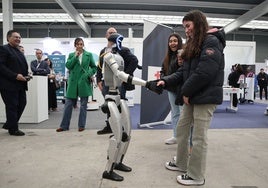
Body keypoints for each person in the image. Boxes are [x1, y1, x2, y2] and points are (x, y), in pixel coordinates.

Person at [157, 10, 225, 186]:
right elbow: (183, 72)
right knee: (181, 130)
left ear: (198, 23)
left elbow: (205, 73)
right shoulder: (195, 43)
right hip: (193, 96)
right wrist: (164, 81)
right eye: (184, 27)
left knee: (199, 138)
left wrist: (185, 92)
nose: (185, 30)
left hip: (205, 97)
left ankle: (196, 176)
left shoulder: (212, 41)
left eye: (188, 26)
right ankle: (181, 163)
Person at [100, 33, 162, 181]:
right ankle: (108, 170)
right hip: (111, 96)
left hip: (119, 97)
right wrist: (147, 84)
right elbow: (120, 75)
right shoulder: (108, 56)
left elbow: (126, 70)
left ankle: (118, 162)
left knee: (127, 132)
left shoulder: (120, 56)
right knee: (117, 136)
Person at [96, 27, 139, 135]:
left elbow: (134, 61)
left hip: (119, 84)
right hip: (106, 83)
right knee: (109, 105)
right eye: (109, 33)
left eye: (114, 33)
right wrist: (98, 80)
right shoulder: (103, 51)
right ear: (106, 36)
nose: (112, 35)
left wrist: (124, 76)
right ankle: (110, 126)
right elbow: (99, 66)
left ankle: (122, 129)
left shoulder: (123, 50)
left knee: (119, 105)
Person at [56, 37, 97, 132]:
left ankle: (81, 125)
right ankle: (64, 126)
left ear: (83, 45)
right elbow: (68, 66)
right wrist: (75, 57)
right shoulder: (71, 55)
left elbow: (94, 68)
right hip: (73, 82)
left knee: (83, 106)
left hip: (84, 81)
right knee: (68, 104)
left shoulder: (88, 55)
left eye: (81, 44)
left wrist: (88, 74)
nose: (79, 46)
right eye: (77, 44)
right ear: (75, 45)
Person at [0, 30, 31, 136]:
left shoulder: (18, 50)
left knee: (22, 104)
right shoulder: (4, 49)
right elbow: (1, 67)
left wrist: (26, 76)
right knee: (12, 106)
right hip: (8, 85)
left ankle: (10, 124)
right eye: (15, 37)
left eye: (19, 37)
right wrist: (15, 76)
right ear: (8, 38)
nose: (18, 39)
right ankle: (13, 129)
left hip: (21, 84)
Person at [160, 33, 183, 145]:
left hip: (182, 89)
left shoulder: (183, 55)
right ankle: (176, 136)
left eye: (175, 41)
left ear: (179, 42)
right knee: (175, 114)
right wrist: (162, 78)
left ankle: (185, 139)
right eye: (170, 41)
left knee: (184, 115)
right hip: (171, 89)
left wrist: (166, 79)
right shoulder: (167, 57)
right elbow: (163, 70)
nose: (172, 43)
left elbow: (181, 73)